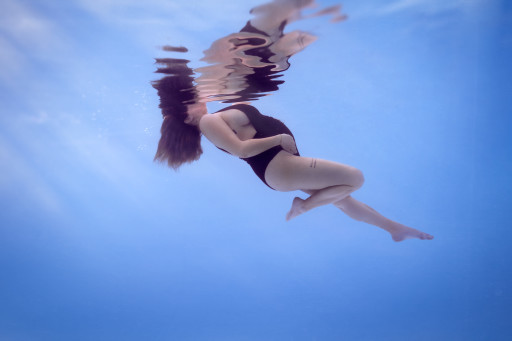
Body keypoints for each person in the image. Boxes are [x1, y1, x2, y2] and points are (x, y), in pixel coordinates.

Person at [152, 69, 434, 242]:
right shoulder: (207, 122)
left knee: (342, 199)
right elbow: (240, 150)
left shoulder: (214, 114)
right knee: (354, 178)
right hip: (278, 165)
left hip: (281, 167)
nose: (196, 98)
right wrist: (279, 138)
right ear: (185, 117)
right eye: (188, 101)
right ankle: (304, 206)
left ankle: (394, 229)